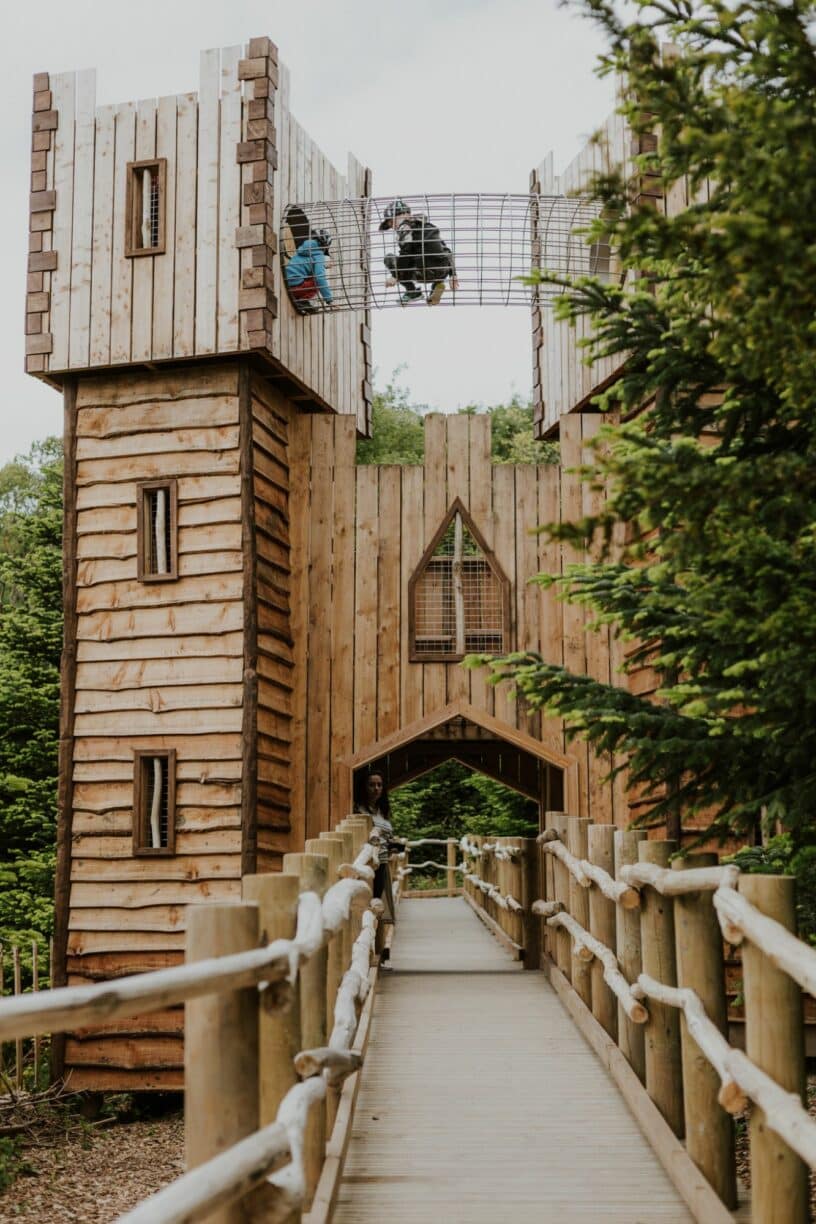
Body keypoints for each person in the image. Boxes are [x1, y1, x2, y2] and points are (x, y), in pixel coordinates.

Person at [354, 770, 402, 961]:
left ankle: (375, 950)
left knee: (376, 906)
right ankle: (367, 952)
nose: (376, 789)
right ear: (364, 787)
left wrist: (392, 846)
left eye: (379, 785)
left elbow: (385, 836)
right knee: (367, 905)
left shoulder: (382, 811)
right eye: (372, 785)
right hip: (367, 865)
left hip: (382, 862)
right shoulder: (358, 810)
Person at [379, 199, 459, 305]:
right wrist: (453, 274)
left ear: (399, 215)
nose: (393, 227)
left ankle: (412, 291)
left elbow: (406, 253)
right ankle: (436, 287)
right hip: (442, 271)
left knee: (389, 258)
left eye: (391, 222)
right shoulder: (429, 226)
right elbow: (447, 251)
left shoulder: (404, 227)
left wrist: (395, 276)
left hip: (423, 270)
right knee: (434, 256)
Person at [283, 227, 334, 314]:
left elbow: (304, 264)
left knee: (310, 277)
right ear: (325, 247)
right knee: (317, 282)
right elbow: (320, 278)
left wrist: (323, 266)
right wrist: (329, 300)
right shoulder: (319, 256)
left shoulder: (304, 248)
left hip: (286, 280)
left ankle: (299, 300)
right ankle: (302, 301)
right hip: (296, 287)